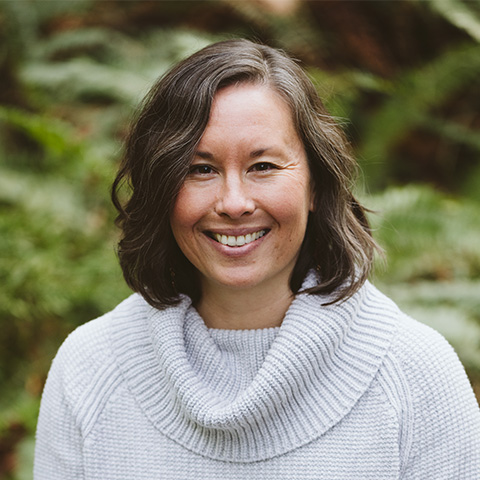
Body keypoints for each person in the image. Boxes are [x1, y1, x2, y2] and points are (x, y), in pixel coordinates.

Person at [34, 39, 480, 479]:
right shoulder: (91, 368)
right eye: (200, 169)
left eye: (263, 166)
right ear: (162, 190)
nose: (233, 202)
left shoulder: (415, 373)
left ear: (316, 186)